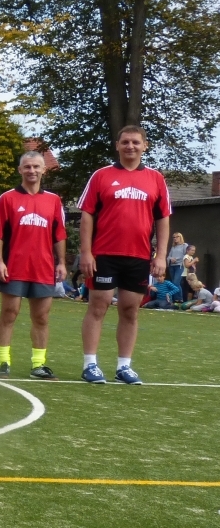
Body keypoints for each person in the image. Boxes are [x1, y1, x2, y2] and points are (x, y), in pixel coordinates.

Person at [78, 124, 171, 384]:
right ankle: (90, 364)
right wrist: (86, 252)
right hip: (105, 254)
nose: (130, 146)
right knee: (98, 306)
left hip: (138, 256)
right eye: (125, 142)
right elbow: (86, 215)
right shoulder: (101, 176)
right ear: (117, 145)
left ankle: (124, 367)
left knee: (130, 310)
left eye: (135, 142)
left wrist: (161, 255)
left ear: (145, 145)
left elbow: (163, 219)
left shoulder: (156, 179)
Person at [0, 150, 67, 379]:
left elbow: (59, 234)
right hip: (14, 266)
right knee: (9, 313)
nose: (32, 171)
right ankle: (3, 362)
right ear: (20, 170)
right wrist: (0, 261)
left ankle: (38, 365)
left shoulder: (53, 200)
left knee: (41, 317)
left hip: (43, 268)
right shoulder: (7, 198)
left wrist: (61, 262)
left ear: (44, 170)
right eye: (27, 167)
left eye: (36, 167)